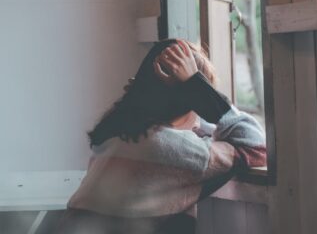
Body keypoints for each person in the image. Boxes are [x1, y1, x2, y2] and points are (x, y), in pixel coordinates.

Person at [54, 39, 266, 234]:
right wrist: (198, 87)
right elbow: (256, 146)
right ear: (193, 103)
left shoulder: (117, 135)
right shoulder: (174, 149)